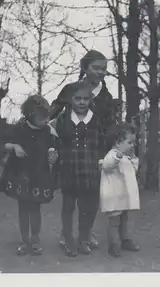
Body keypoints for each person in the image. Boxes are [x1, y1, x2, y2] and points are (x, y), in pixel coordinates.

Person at [50, 49, 118, 250]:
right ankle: (67, 234)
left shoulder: (106, 96)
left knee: (91, 197)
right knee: (70, 198)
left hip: (95, 151)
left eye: (104, 69)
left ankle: (86, 234)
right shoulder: (71, 89)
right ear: (84, 68)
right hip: (72, 151)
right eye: (96, 68)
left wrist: (108, 153)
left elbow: (109, 127)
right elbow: (54, 111)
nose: (100, 72)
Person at [0, 94, 59, 256]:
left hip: (39, 173)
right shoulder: (19, 128)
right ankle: (24, 240)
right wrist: (15, 146)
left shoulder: (48, 130)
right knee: (23, 207)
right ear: (31, 114)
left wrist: (52, 152)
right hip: (21, 173)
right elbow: (4, 144)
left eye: (47, 116)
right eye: (42, 117)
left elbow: (52, 146)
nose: (46, 120)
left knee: (35, 207)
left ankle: (35, 240)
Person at [53, 81, 106, 257]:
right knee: (68, 207)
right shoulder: (62, 120)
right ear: (71, 99)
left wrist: (100, 162)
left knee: (88, 208)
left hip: (89, 172)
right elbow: (55, 141)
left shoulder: (96, 120)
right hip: (68, 170)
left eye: (85, 99)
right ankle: (67, 239)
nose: (82, 102)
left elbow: (101, 144)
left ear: (90, 100)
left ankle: (84, 239)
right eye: (78, 98)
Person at [100, 123, 141, 257]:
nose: (132, 145)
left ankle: (125, 240)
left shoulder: (125, 157)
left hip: (123, 195)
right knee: (114, 221)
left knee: (124, 219)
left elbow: (132, 172)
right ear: (118, 143)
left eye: (133, 142)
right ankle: (113, 244)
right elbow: (107, 166)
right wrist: (117, 156)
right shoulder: (112, 155)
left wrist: (134, 160)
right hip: (114, 195)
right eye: (129, 142)